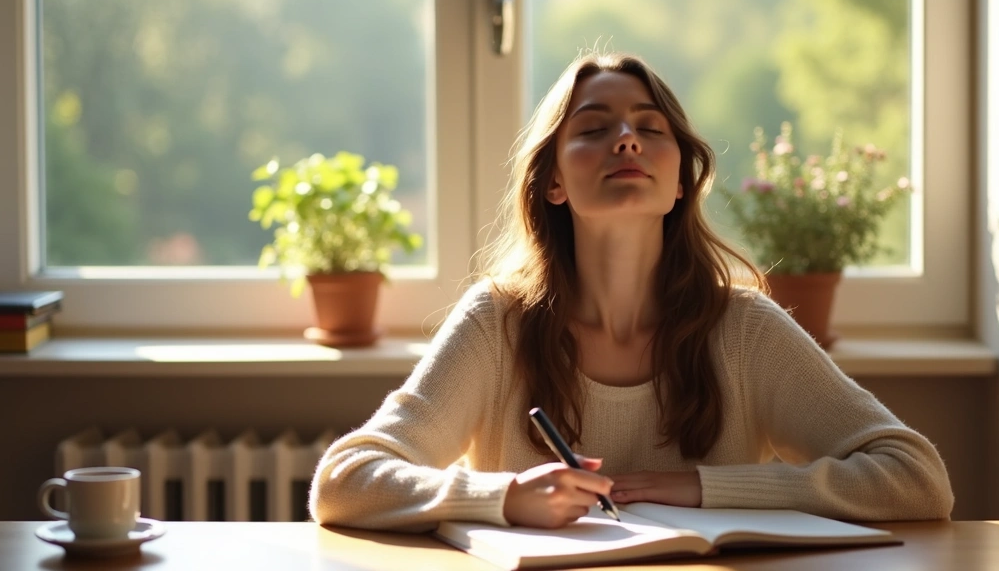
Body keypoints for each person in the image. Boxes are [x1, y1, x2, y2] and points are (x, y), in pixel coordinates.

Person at [309, 52, 954, 532]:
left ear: (680, 183)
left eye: (650, 128)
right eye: (593, 129)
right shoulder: (495, 322)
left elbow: (917, 481)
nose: (626, 139)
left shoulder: (746, 328)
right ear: (553, 183)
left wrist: (701, 488)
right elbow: (343, 483)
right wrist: (503, 496)